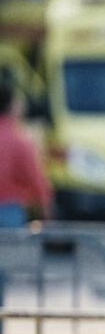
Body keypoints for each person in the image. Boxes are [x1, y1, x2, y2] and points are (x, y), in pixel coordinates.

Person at [0, 81, 52, 228]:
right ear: (12, 107)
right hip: (9, 211)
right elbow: (33, 176)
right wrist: (45, 205)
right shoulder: (19, 141)